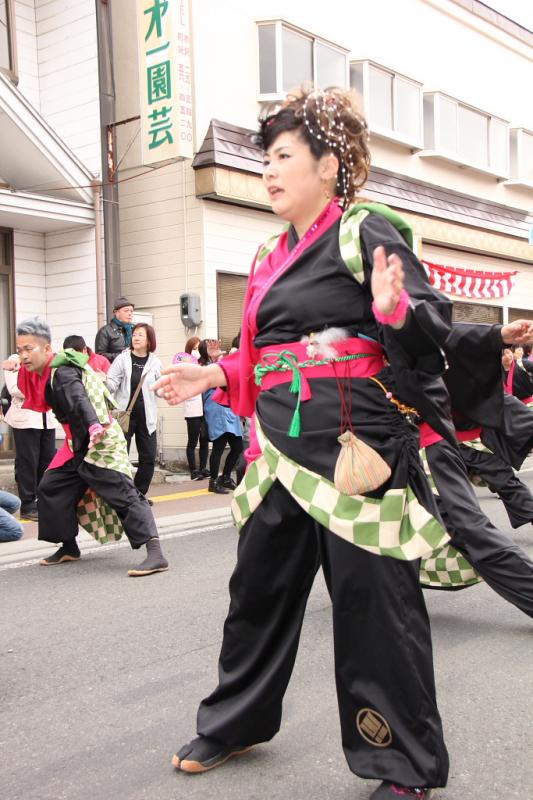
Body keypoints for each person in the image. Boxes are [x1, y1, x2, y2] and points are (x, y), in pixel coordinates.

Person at [154, 88, 453, 799]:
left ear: (330, 163)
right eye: (264, 159)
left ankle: (401, 762)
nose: (268, 171)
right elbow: (263, 352)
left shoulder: (365, 230)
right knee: (255, 592)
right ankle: (236, 720)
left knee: (371, 604)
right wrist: (213, 373)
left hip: (354, 446)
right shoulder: (266, 252)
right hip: (278, 451)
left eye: (283, 156)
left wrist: (392, 309)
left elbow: (426, 324)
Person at [6, 317, 168, 577]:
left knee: (124, 494)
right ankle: (69, 547)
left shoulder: (63, 372)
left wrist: (92, 425)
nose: (24, 355)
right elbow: (23, 373)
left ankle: (156, 553)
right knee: (51, 487)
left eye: (29, 349)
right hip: (77, 444)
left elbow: (78, 398)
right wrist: (13, 361)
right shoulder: (41, 369)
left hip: (99, 439)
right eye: (20, 349)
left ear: (47, 349)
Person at [106, 323, 161, 501]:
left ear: (149, 340)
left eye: (140, 335)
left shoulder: (155, 362)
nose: (136, 338)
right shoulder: (122, 359)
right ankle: (123, 494)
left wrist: (169, 386)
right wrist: (104, 382)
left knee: (148, 457)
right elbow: (112, 383)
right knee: (121, 456)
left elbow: (160, 389)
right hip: (125, 415)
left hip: (147, 417)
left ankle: (138, 494)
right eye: (134, 334)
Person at [3, 352, 57, 521]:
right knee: (28, 462)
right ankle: (27, 504)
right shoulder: (14, 360)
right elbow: (14, 389)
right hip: (25, 419)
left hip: (47, 418)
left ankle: (42, 502)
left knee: (47, 461)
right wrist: (40, 388)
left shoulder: (48, 360)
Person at [198, 339, 243, 495]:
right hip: (216, 408)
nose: (215, 350)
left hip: (230, 407)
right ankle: (213, 482)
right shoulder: (203, 367)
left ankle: (225, 477)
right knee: (219, 446)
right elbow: (211, 380)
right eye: (209, 348)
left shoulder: (220, 363)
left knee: (238, 447)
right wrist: (216, 361)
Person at [173, 342, 210, 481]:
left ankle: (203, 468)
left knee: (205, 440)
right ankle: (193, 470)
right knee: (193, 441)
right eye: (194, 348)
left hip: (205, 409)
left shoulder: (203, 365)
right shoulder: (183, 369)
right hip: (192, 410)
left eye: (198, 348)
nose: (197, 351)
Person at [94, 296, 135, 363]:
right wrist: (122, 356)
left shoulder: (135, 329)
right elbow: (100, 356)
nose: (130, 313)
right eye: (126, 311)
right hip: (114, 370)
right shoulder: (105, 331)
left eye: (131, 311)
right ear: (116, 312)